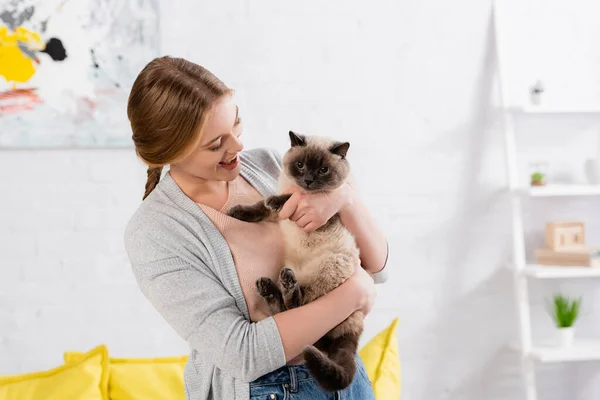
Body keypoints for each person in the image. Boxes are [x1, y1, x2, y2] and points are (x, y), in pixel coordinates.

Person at [124, 56, 390, 400]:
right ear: (169, 151)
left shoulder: (267, 165)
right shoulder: (155, 232)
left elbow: (379, 268)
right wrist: (354, 295)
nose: (237, 147)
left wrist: (344, 199)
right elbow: (243, 353)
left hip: (346, 381)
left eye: (236, 126)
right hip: (272, 390)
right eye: (215, 144)